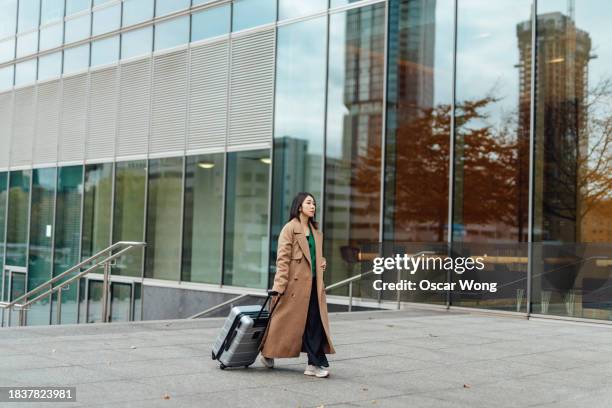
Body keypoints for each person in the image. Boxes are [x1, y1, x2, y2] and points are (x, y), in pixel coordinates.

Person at [259, 192, 335, 378]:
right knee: (281, 323)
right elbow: (283, 259)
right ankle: (268, 353)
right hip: (294, 288)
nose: (313, 206)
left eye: (314, 203)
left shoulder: (317, 232)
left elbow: (314, 255)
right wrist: (279, 285)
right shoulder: (290, 228)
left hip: (314, 287)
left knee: (315, 324)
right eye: (309, 203)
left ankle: (313, 364)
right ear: (299, 206)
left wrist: (322, 260)